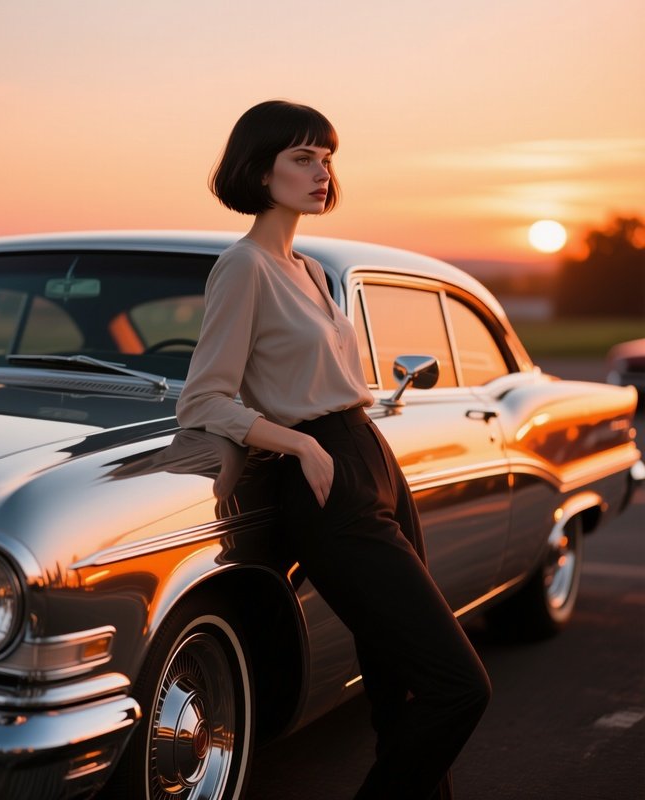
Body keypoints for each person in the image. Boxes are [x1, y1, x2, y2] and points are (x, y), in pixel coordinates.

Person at [176, 99, 491, 800]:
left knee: (402, 689)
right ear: (259, 171)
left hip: (371, 458)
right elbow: (203, 398)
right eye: (301, 158)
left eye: (326, 158)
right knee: (460, 685)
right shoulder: (243, 267)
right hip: (325, 476)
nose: (321, 172)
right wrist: (297, 445)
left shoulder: (311, 269)